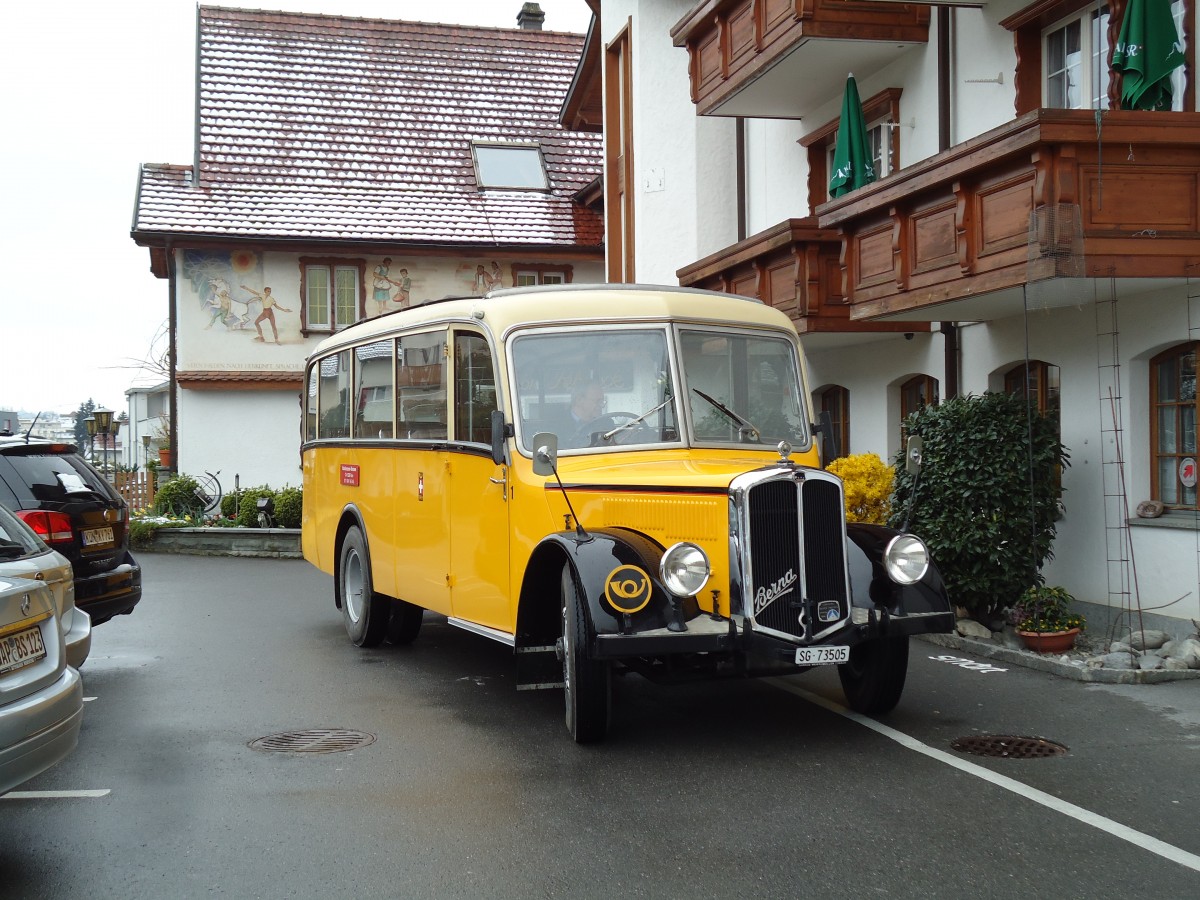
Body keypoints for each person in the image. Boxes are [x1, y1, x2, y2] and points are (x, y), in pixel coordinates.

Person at [563, 381, 605, 447]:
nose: (602, 405)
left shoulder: (607, 423)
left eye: (602, 401)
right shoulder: (557, 425)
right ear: (579, 400)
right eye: (597, 401)